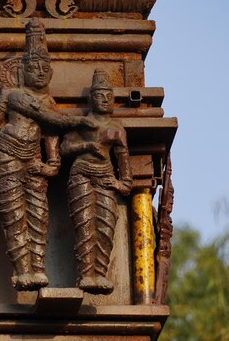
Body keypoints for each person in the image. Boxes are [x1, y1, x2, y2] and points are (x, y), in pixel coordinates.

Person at [0, 18, 92, 291]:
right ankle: (22, 271)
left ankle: (38, 269)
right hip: (7, 154)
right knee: (14, 216)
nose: (39, 72)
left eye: (44, 68)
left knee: (38, 215)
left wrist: (53, 163)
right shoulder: (14, 96)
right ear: (21, 72)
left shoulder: (48, 101)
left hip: (34, 159)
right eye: (33, 67)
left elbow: (50, 134)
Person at [60, 69, 133, 294]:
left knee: (105, 224)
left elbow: (123, 158)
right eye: (100, 96)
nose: (105, 100)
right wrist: (87, 146)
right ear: (91, 99)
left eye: (109, 97)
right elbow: (65, 148)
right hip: (81, 173)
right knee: (84, 224)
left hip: (105, 176)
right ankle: (86, 274)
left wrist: (124, 183)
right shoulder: (83, 124)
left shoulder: (117, 128)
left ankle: (100, 273)